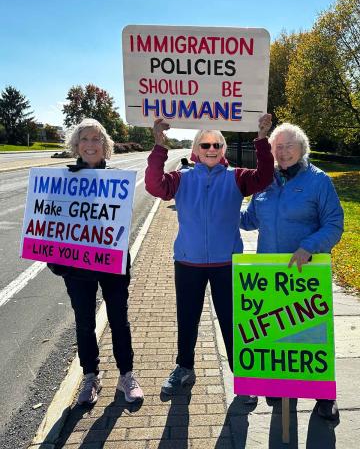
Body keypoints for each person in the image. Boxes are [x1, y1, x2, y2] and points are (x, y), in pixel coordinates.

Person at [145, 115, 274, 395]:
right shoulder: (181, 178)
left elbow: (265, 177)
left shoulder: (238, 177)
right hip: (188, 262)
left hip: (226, 263)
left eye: (217, 144)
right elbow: (155, 186)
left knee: (231, 320)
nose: (211, 148)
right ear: (196, 149)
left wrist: (262, 140)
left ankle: (243, 376)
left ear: (224, 148)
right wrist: (158, 145)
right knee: (187, 318)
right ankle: (185, 367)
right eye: (205, 144)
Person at [240, 122, 344, 421]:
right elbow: (249, 220)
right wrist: (219, 208)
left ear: (302, 149)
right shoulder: (265, 181)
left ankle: (325, 395)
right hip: (270, 273)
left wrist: (310, 246)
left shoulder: (319, 181)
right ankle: (280, 382)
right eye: (277, 147)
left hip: (305, 273)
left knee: (311, 337)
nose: (283, 152)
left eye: (289, 146)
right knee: (274, 331)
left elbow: (334, 224)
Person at [49, 118, 143, 405]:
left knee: (119, 319)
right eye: (85, 139)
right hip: (76, 267)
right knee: (83, 322)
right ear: (76, 145)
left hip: (110, 262)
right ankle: (90, 376)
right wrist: (52, 256)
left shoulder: (117, 182)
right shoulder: (62, 181)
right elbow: (52, 221)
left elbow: (119, 225)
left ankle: (126, 374)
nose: (91, 144)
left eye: (96, 139)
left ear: (105, 145)